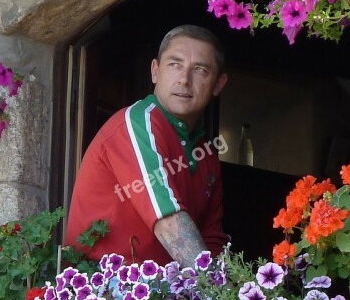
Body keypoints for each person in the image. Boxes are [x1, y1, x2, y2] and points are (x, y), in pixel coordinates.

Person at [63, 25, 229, 267]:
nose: (184, 79)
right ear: (155, 71)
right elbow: (169, 223)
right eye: (174, 64)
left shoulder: (206, 153)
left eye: (200, 70)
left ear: (218, 84)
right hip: (101, 291)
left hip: (164, 294)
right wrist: (218, 295)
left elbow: (212, 241)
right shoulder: (137, 122)